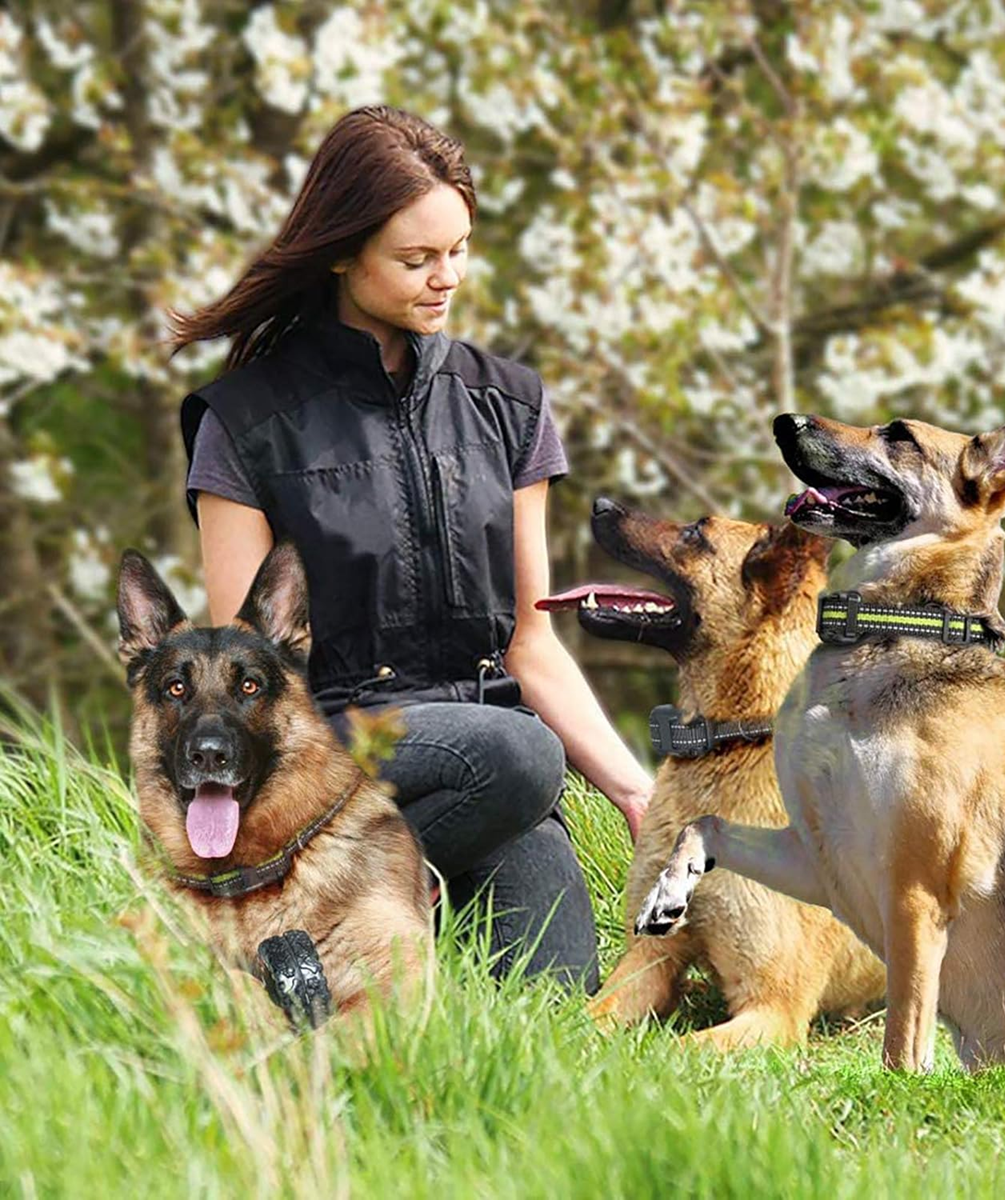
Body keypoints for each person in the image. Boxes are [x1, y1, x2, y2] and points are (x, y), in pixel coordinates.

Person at [170, 106, 652, 993]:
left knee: (554, 1007)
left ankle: (352, 905)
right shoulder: (245, 422)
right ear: (342, 254)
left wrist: (637, 794)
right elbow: (246, 673)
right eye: (417, 259)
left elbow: (530, 644)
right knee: (521, 752)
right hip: (327, 754)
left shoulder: (508, 404)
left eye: (459, 250)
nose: (448, 278)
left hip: (491, 776)